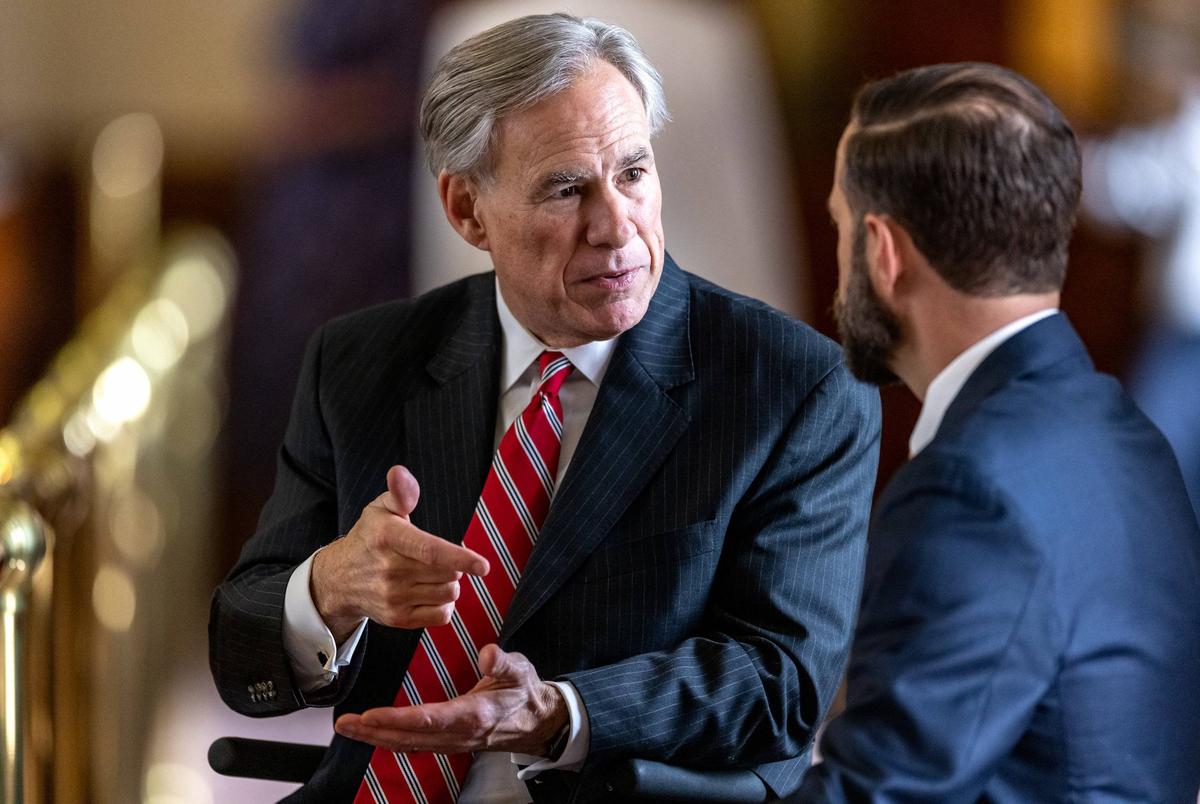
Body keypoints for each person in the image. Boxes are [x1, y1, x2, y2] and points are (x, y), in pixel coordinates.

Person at [209, 14, 880, 804]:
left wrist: (560, 712)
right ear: (467, 211)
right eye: (567, 189)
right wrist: (329, 587)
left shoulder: (789, 386)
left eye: (634, 173)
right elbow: (238, 646)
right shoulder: (360, 364)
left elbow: (784, 682)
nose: (615, 226)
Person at [790, 62, 1200, 803]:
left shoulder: (968, 490)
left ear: (883, 253)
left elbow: (878, 794)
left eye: (838, 227)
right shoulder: (1126, 436)